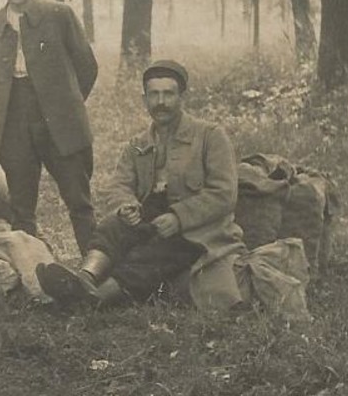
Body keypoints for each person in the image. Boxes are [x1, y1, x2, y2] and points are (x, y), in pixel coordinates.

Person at [36, 59, 246, 313]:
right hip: (150, 218)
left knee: (155, 252)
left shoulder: (210, 136)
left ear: (182, 97)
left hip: (200, 231)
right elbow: (118, 185)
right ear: (145, 99)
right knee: (111, 227)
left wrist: (179, 218)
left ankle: (96, 299)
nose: (161, 102)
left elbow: (224, 194)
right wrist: (126, 205)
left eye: (169, 94)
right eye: (154, 94)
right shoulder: (137, 144)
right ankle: (85, 278)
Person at [0, 0, 99, 257]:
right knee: (21, 204)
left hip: (59, 117)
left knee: (78, 198)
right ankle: (28, 271)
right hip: (15, 118)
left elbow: (86, 66)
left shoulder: (59, 15)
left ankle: (96, 267)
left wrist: (66, 105)